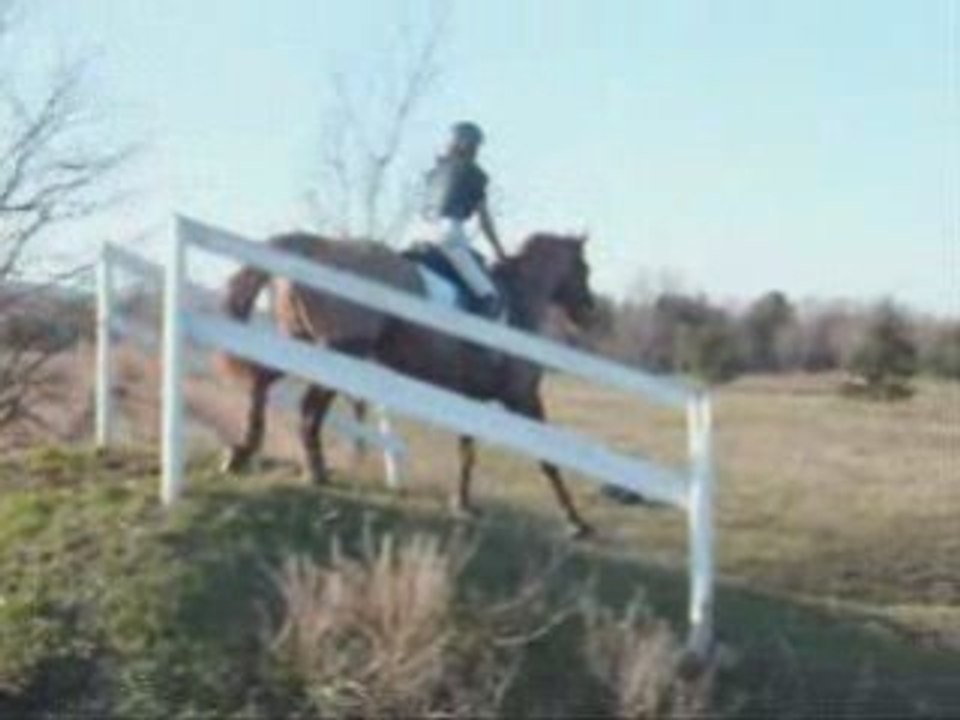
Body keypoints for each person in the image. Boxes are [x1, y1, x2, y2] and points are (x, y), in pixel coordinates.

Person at [419, 121, 506, 316]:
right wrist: (499, 251)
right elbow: (485, 222)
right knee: (489, 296)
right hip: (450, 234)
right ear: (470, 145)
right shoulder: (475, 174)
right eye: (476, 146)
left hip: (423, 233)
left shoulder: (433, 173)